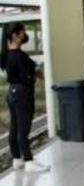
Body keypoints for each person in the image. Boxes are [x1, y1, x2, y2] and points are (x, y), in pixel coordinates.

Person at [0, 22, 50, 173]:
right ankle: (29, 161)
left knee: (15, 128)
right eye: (22, 32)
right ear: (15, 35)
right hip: (23, 94)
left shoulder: (7, 55)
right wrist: (35, 76)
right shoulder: (20, 56)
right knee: (23, 129)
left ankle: (17, 159)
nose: (24, 34)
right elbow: (26, 77)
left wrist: (32, 72)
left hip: (12, 92)